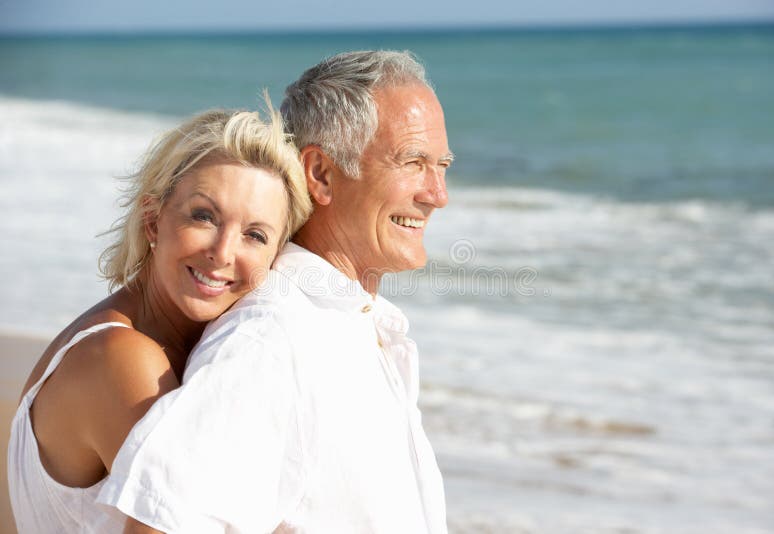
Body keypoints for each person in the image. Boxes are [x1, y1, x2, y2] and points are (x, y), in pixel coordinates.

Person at [104, 50, 454, 534]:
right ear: (322, 175)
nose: (437, 194)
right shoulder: (270, 341)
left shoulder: (353, 323)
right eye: (413, 162)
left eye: (442, 165)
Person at [7, 99, 312, 533]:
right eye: (204, 216)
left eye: (254, 235)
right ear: (153, 221)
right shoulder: (122, 359)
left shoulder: (184, 347)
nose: (223, 253)